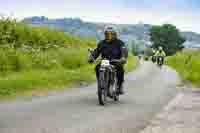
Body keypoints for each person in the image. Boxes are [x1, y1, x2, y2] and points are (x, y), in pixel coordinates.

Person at [88, 26, 128, 95]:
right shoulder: (101, 43)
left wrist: (123, 58)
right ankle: (101, 84)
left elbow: (124, 51)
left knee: (120, 69)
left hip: (115, 61)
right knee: (97, 67)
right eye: (107, 34)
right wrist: (92, 58)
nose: (109, 36)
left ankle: (119, 85)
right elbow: (97, 51)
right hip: (105, 61)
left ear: (115, 34)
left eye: (111, 34)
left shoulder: (120, 43)